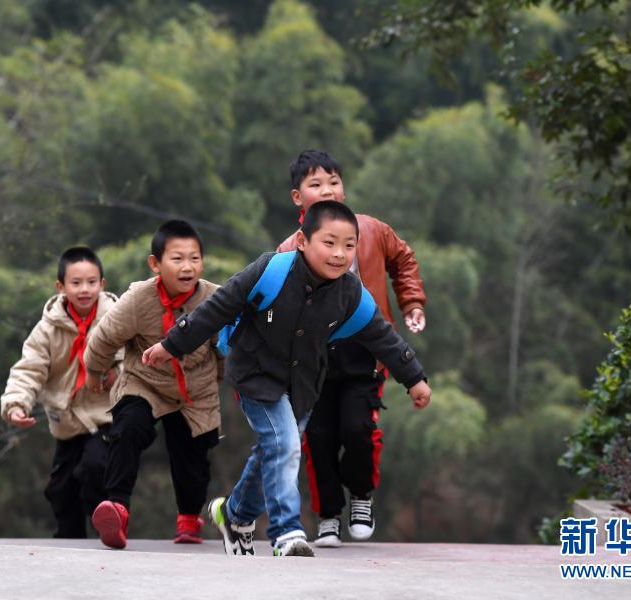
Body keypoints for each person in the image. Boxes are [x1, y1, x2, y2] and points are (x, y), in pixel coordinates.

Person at [143, 201, 432, 557]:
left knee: (274, 451)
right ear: (301, 240)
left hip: (303, 386)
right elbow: (219, 307)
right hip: (256, 376)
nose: (339, 254)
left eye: (348, 245)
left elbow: (382, 337)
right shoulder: (272, 270)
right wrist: (172, 345)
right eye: (329, 243)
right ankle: (286, 533)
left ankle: (234, 515)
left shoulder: (350, 294)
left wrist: (414, 377)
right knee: (286, 445)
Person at [276, 149, 427, 546]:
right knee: (319, 436)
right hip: (314, 361)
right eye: (315, 184)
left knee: (358, 429)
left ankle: (361, 495)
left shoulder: (372, 230)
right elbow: (274, 307)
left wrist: (411, 302)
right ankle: (328, 515)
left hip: (365, 353)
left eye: (333, 182)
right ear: (298, 197)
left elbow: (404, 260)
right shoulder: (289, 250)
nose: (327, 190)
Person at [83, 220, 222, 549]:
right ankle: (117, 508)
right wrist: (94, 371)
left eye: (194, 258)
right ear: (155, 264)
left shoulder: (215, 298)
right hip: (145, 381)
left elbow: (228, 347)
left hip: (195, 388)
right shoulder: (138, 298)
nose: (187, 267)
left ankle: (189, 518)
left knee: (193, 457)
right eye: (177, 259)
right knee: (127, 428)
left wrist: (224, 381)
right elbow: (103, 338)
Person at [0, 246, 121, 538]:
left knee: (95, 469)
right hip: (66, 422)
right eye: (76, 283)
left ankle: (111, 527)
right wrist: (17, 404)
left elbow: (134, 354)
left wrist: (116, 372)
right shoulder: (46, 330)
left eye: (91, 282)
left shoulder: (117, 317)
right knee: (60, 490)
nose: (84, 290)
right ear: (61, 287)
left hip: (105, 415)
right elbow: (29, 370)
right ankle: (69, 541)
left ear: (102, 284)